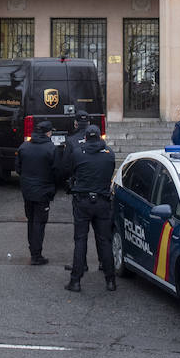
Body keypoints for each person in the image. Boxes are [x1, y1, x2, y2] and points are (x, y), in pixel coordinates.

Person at [58, 124, 116, 292]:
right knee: (105, 241)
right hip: (102, 202)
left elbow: (70, 170)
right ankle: (110, 280)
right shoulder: (109, 154)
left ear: (86, 137)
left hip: (82, 201)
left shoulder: (78, 153)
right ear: (99, 137)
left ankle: (75, 280)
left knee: (80, 240)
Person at [15, 118, 57, 265]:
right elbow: (56, 170)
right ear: (48, 133)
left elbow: (18, 169)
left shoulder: (24, 146)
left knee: (31, 221)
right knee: (39, 223)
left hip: (27, 191)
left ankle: (33, 250)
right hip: (43, 191)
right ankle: (36, 255)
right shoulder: (51, 149)